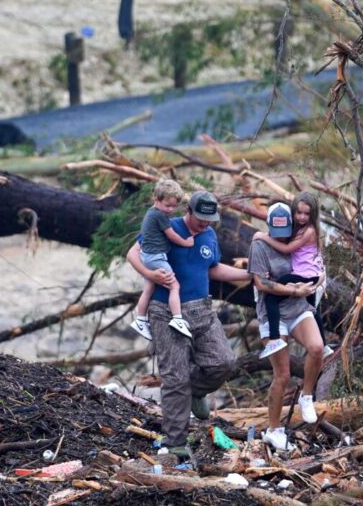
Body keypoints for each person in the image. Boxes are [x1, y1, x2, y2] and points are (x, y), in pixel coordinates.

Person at [126, 190, 251, 451]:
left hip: (201, 309)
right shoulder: (165, 225)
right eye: (200, 218)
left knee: (224, 362)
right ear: (188, 211)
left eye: (209, 219)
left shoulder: (209, 234)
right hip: (164, 310)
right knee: (175, 377)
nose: (205, 223)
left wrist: (247, 274)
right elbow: (132, 254)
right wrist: (151, 274)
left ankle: (194, 390)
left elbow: (213, 268)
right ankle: (175, 444)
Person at [248, 202, 326, 451]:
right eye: (276, 232)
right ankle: (274, 429)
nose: (281, 236)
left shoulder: (299, 237)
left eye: (285, 231)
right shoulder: (259, 246)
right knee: (282, 374)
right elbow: (261, 283)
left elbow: (316, 264)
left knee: (317, 347)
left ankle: (307, 395)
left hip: (298, 308)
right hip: (273, 314)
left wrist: (316, 280)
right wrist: (292, 289)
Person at [253, 192, 332, 359]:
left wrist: (262, 236)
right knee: (312, 309)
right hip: (311, 275)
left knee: (271, 298)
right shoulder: (300, 230)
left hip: (304, 276)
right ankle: (324, 346)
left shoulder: (308, 231)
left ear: (313, 214)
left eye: (306, 214)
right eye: (299, 213)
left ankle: (274, 338)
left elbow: (286, 249)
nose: (302, 217)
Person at [131, 179, 194, 340]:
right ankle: (177, 318)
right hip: (155, 257)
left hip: (146, 256)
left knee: (148, 289)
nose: (170, 210)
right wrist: (186, 242)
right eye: (167, 205)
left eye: (174, 206)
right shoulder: (160, 216)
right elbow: (172, 236)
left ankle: (140, 319)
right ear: (156, 199)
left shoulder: (152, 212)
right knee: (174, 285)